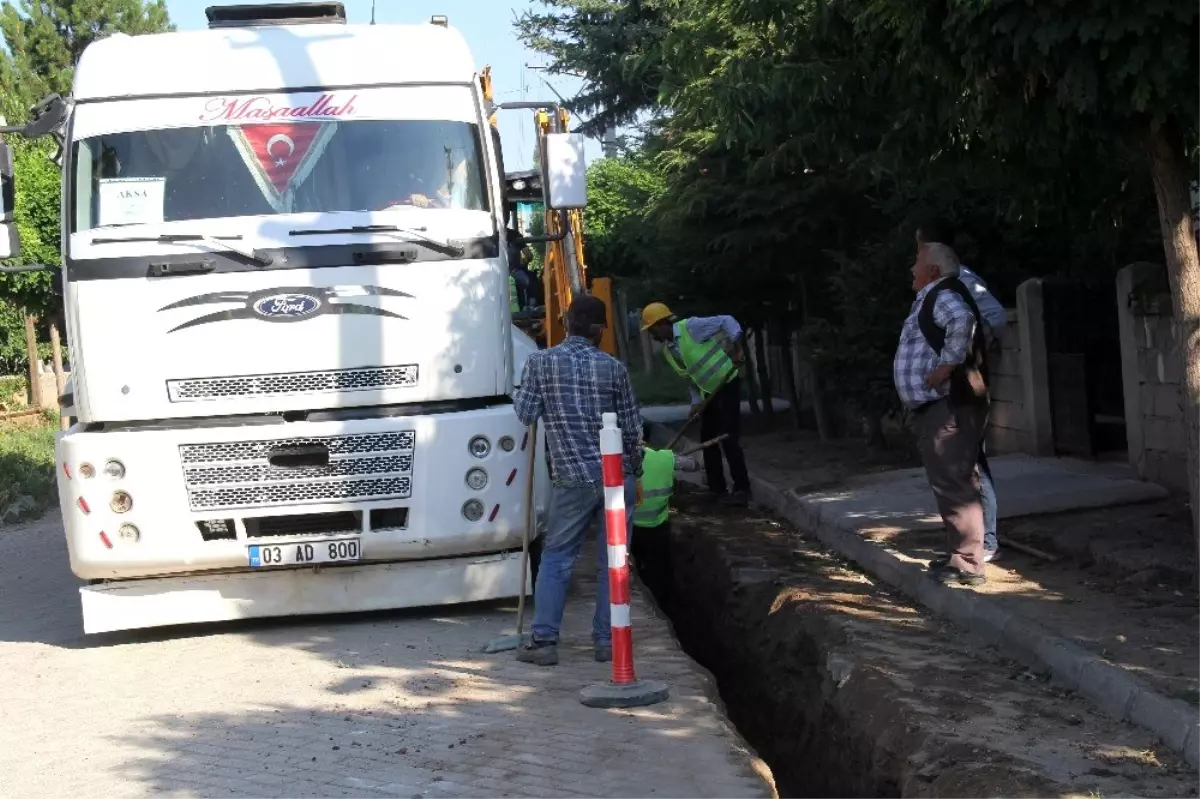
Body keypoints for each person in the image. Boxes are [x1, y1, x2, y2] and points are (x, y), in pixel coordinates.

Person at [513, 294, 644, 666]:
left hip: (572, 479)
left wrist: (521, 389)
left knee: (557, 557)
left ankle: (545, 643)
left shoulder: (540, 362)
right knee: (614, 561)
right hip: (616, 479)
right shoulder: (613, 367)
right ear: (600, 329)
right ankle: (606, 642)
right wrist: (635, 472)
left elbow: (525, 414)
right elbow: (633, 429)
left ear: (567, 323)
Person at [894, 242, 991, 586]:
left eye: (916, 262)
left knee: (955, 481)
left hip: (944, 406)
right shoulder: (931, 297)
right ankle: (959, 554)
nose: (911, 269)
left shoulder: (942, 296)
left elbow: (962, 320)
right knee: (950, 481)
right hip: (935, 407)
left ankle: (968, 562)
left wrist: (945, 367)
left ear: (933, 270)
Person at [916, 222, 1005, 562]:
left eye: (918, 248)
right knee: (960, 468)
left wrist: (965, 358)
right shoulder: (942, 285)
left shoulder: (960, 281)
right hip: (950, 394)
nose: (915, 257)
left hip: (961, 392)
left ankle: (987, 542)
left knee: (972, 466)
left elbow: (993, 317)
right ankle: (971, 542)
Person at [640, 302, 751, 506]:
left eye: (651, 329)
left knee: (728, 437)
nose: (651, 335)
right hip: (709, 392)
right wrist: (696, 402)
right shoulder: (669, 350)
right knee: (707, 438)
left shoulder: (691, 327)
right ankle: (718, 490)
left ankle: (742, 489)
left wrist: (737, 348)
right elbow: (690, 376)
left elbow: (727, 320)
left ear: (661, 324)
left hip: (727, 384)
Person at [630, 422, 700, 608]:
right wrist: (668, 459)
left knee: (633, 571)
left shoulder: (619, 461)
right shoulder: (664, 458)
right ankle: (661, 603)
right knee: (659, 572)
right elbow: (694, 465)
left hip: (629, 529)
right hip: (657, 528)